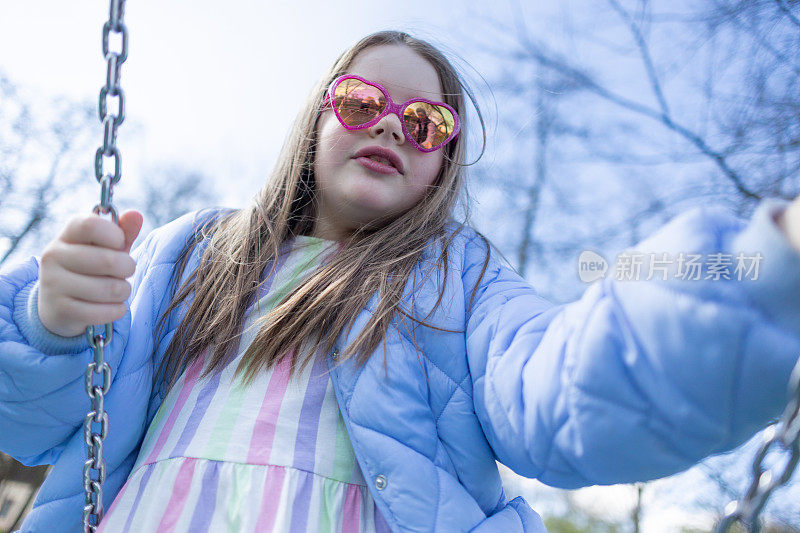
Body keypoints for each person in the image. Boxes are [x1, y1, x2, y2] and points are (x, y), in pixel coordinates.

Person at [1, 29, 799, 533]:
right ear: (316, 120)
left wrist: (758, 277)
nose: (390, 123)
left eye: (424, 122)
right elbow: (48, 423)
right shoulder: (196, 253)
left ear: (442, 162)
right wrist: (52, 323)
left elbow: (564, 385)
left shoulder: (459, 281)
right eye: (360, 102)